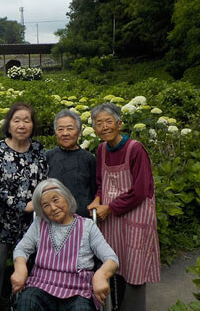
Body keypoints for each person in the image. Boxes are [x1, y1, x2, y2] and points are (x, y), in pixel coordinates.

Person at [87, 102, 161, 311]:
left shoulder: (135, 149)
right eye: (99, 123)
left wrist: (109, 207)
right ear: (94, 129)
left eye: (109, 122)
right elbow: (101, 183)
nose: (104, 127)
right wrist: (98, 199)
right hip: (112, 220)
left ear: (119, 123)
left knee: (135, 269)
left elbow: (139, 191)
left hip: (134, 216)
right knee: (114, 265)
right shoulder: (101, 150)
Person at [11, 179, 118, 311]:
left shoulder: (87, 226)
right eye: (46, 205)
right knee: (26, 302)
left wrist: (101, 275)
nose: (53, 208)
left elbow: (111, 258)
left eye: (56, 200)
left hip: (77, 290)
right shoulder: (39, 224)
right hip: (41, 285)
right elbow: (21, 249)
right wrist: (20, 267)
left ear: (66, 197)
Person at [0, 102, 48, 311]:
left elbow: (45, 181)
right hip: (1, 222)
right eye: (17, 120)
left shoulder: (39, 149)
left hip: (32, 223)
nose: (22, 125)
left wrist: (36, 205)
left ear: (32, 125)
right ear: (9, 125)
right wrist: (23, 205)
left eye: (27, 120)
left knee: (30, 269)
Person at [46, 109, 97, 217]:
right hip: (53, 218)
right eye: (60, 129)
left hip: (82, 221)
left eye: (70, 129)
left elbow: (94, 190)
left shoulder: (89, 159)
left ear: (79, 133)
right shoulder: (47, 157)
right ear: (56, 133)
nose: (65, 133)